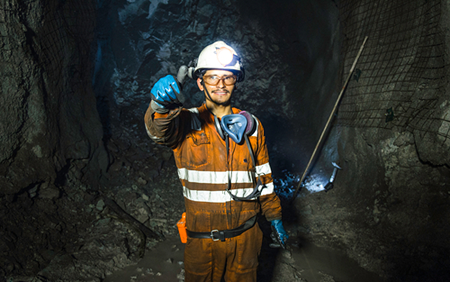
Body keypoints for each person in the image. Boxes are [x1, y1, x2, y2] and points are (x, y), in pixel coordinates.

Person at [144, 41, 288, 282]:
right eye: (212, 77)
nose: (220, 84)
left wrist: (275, 216)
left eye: (228, 77)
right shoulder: (185, 121)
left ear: (236, 81)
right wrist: (159, 106)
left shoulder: (252, 126)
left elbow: (264, 176)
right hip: (202, 241)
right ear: (200, 82)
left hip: (247, 239)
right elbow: (157, 131)